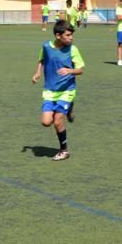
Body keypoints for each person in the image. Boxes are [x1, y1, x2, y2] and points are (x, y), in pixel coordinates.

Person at [31, 20, 85, 162]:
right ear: (58, 35)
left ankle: (64, 151)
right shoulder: (46, 47)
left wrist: (69, 70)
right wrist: (37, 73)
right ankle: (69, 108)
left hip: (67, 90)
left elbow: (80, 70)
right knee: (46, 122)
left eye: (71, 35)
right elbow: (42, 60)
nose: (71, 38)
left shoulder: (73, 49)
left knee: (58, 121)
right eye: (68, 35)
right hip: (50, 90)